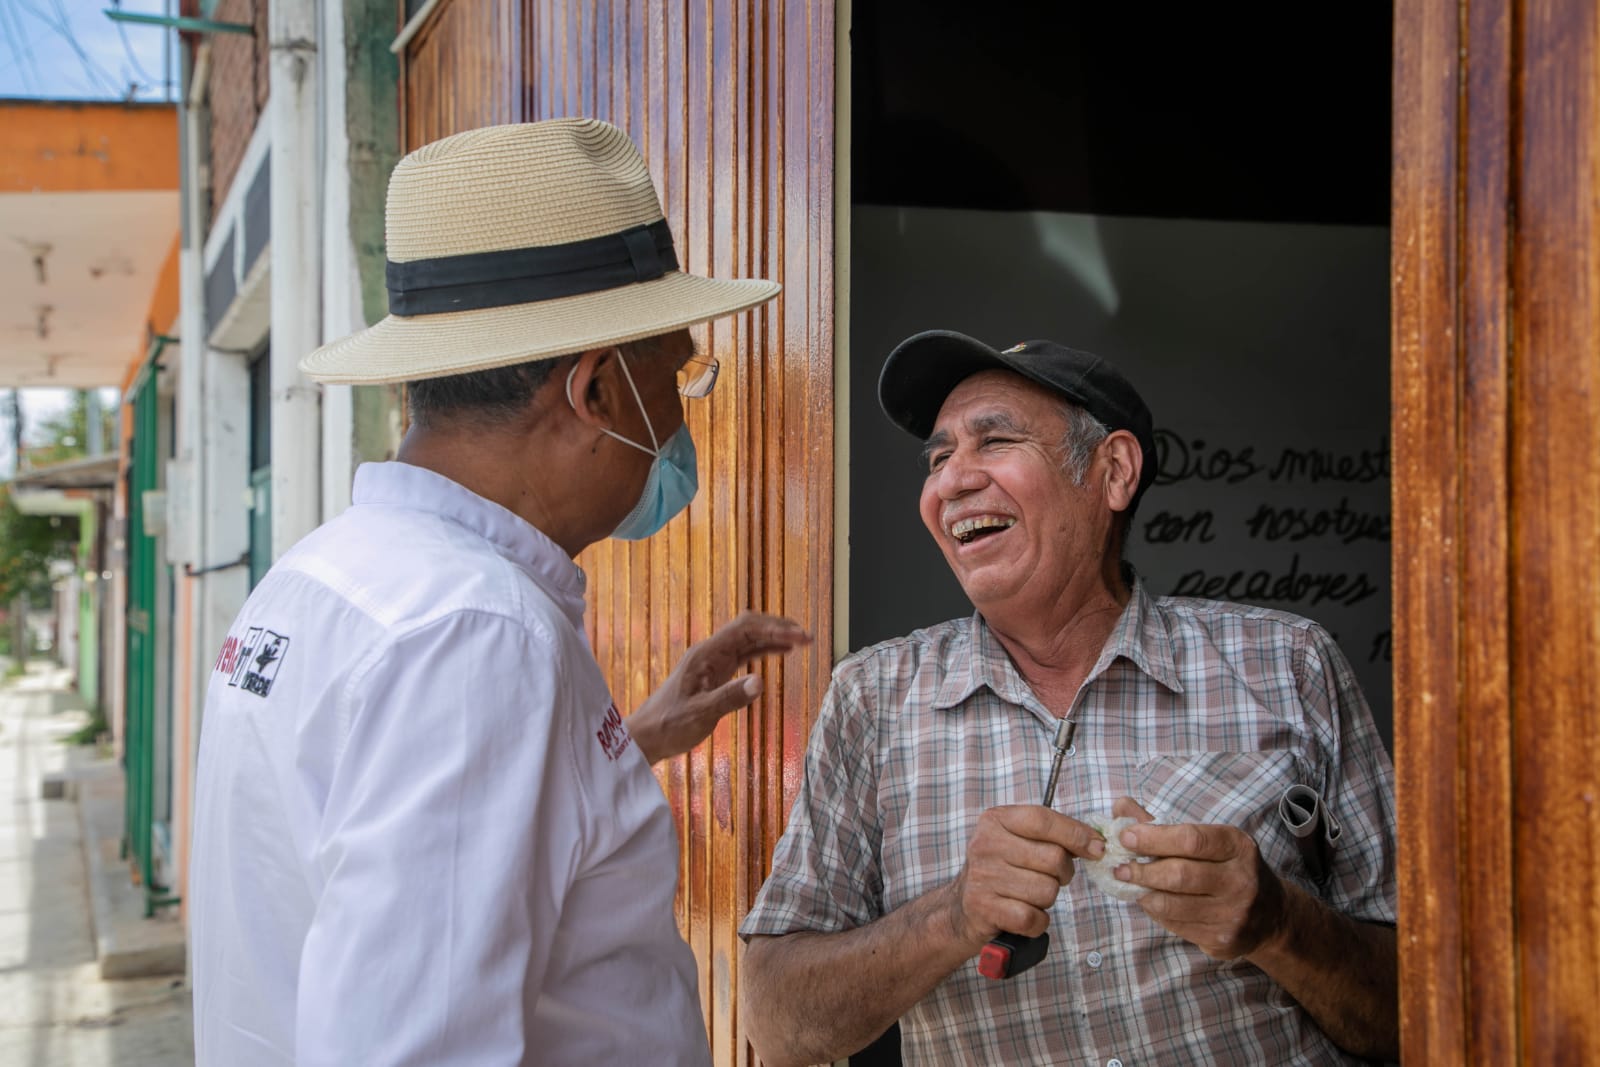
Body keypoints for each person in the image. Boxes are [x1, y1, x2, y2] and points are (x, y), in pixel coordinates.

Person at [189, 118, 810, 1066]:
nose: (684, 415)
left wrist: (619, 749)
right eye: (676, 372)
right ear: (597, 391)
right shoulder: (475, 633)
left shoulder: (322, 577)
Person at [739, 330, 1397, 1065]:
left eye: (994, 440)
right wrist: (950, 916)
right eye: (938, 455)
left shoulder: (1290, 663)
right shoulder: (872, 699)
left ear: (1113, 471)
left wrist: (1280, 924)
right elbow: (776, 1023)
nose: (951, 480)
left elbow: (1425, 1009)